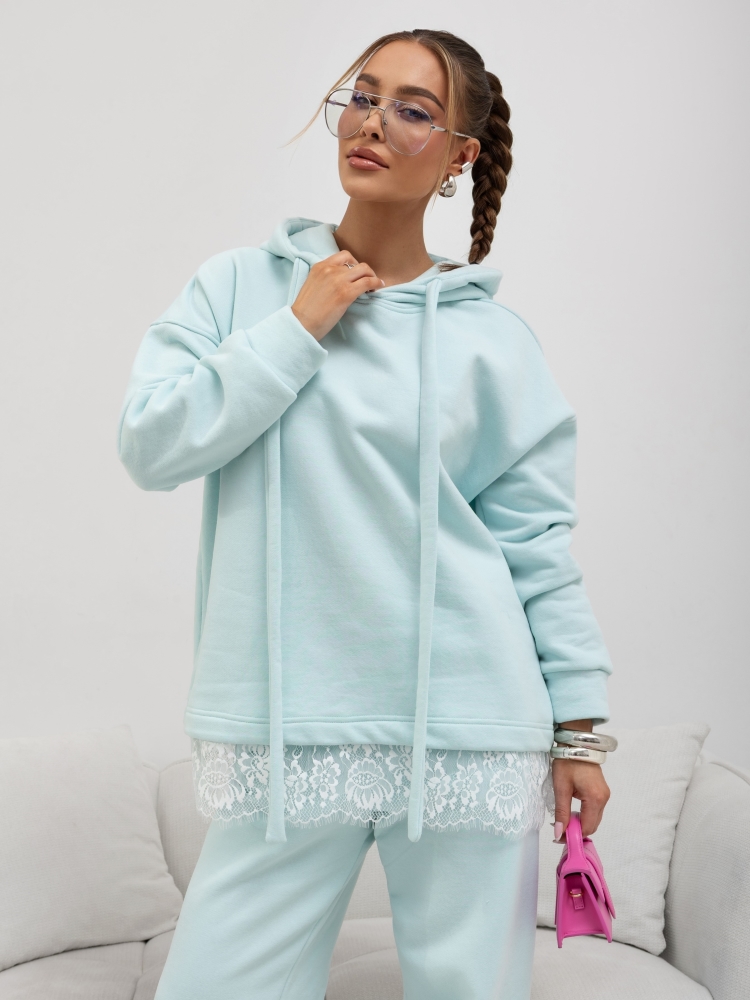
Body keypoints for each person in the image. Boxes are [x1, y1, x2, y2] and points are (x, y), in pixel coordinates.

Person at [118, 28, 613, 1000]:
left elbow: (535, 547)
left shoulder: (494, 342)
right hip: (289, 723)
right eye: (363, 95)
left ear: (460, 156)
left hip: (469, 724)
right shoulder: (240, 290)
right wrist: (297, 328)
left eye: (413, 109)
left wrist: (580, 732)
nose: (374, 122)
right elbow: (152, 444)